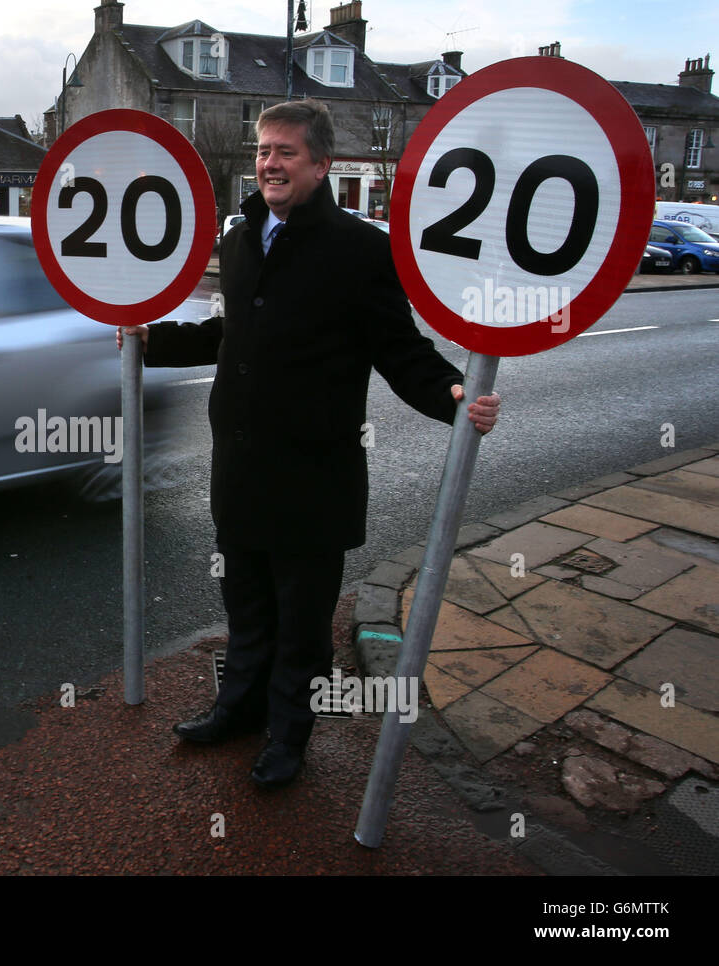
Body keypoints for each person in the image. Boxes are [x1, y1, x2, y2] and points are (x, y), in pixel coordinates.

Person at [116, 100, 499, 790]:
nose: (270, 163)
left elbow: (397, 345)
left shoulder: (360, 249)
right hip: (241, 468)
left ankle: (289, 738)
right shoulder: (241, 240)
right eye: (264, 150)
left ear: (321, 165)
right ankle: (238, 710)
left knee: (301, 625)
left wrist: (452, 393)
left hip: (314, 477)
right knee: (246, 608)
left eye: (286, 152)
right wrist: (154, 340)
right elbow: (229, 332)